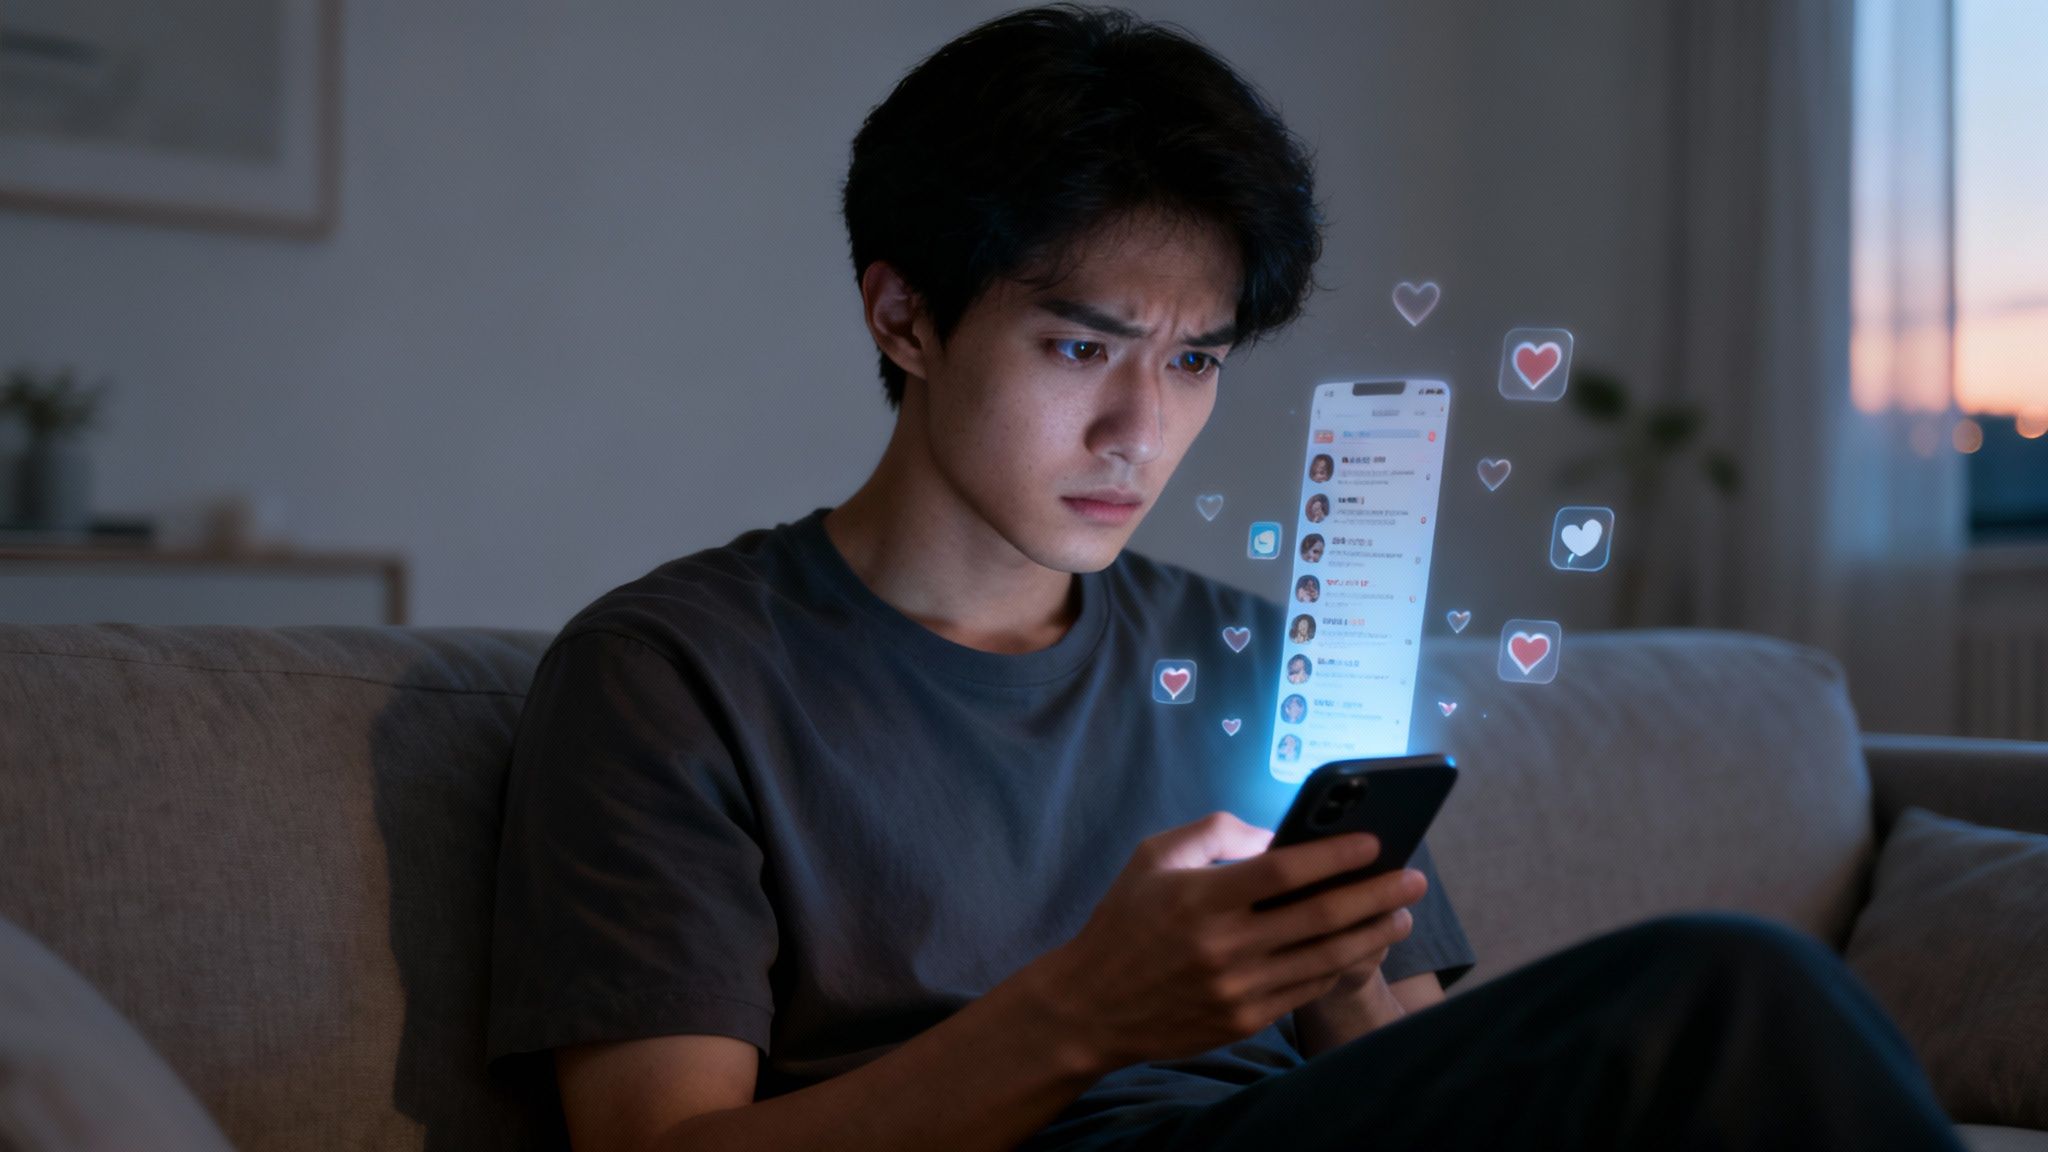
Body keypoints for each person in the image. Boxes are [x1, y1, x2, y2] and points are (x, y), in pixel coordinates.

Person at [484, 7, 1969, 1152]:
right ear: (906, 317)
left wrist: (1319, 971)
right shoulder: (670, 675)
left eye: (1192, 362)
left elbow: (1418, 1075)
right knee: (1726, 996)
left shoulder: (1261, 652)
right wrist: (1084, 1012)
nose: (1143, 431)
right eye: (1080, 347)